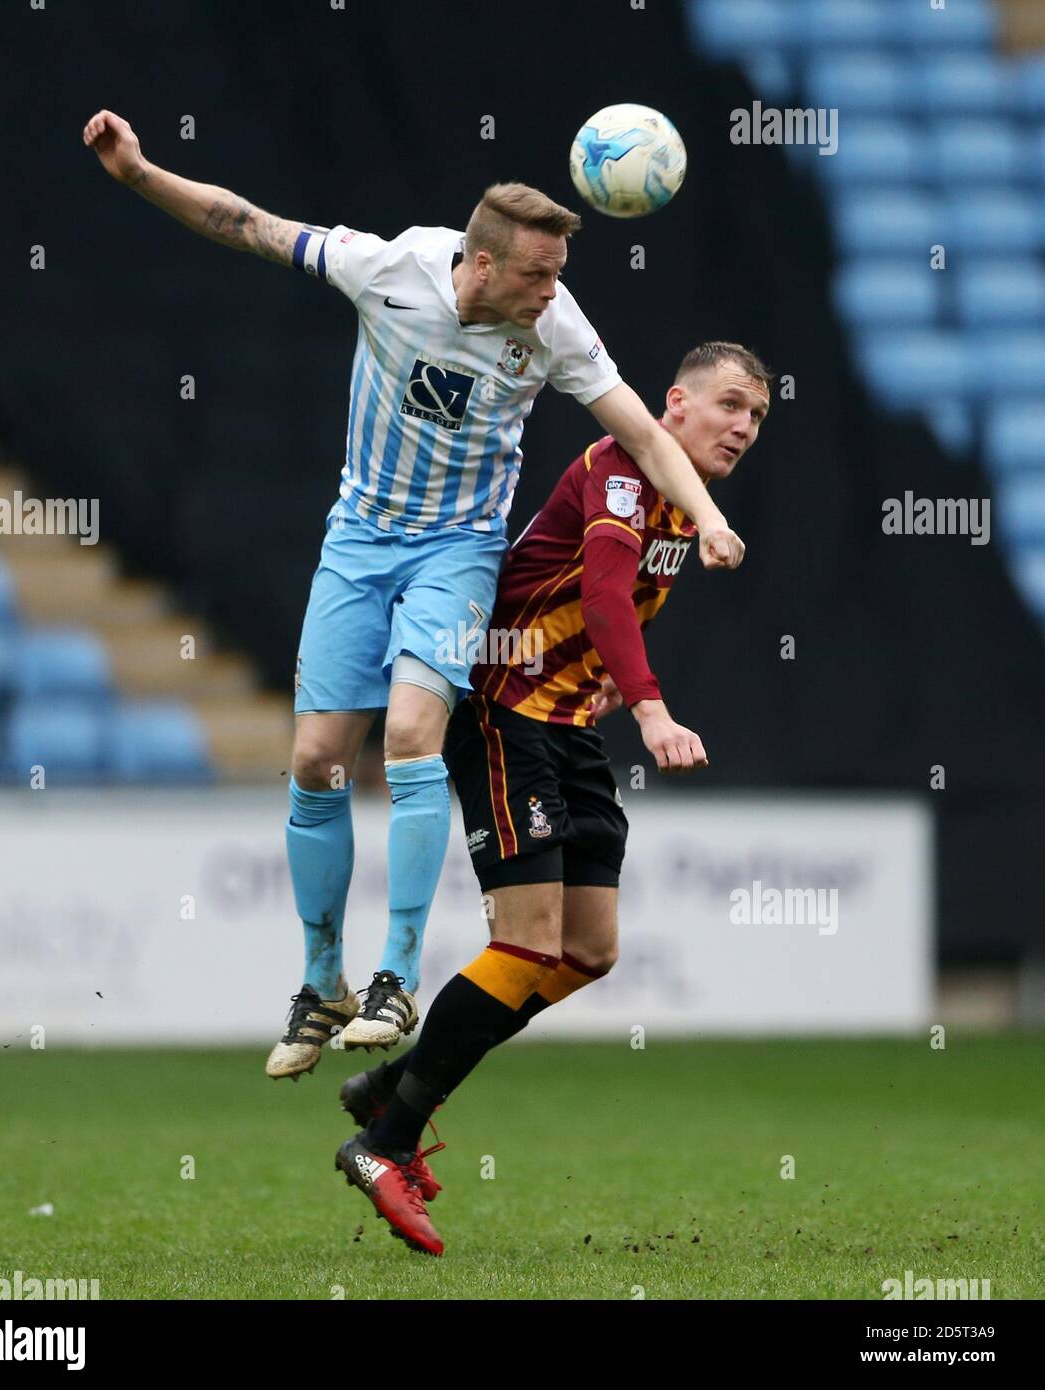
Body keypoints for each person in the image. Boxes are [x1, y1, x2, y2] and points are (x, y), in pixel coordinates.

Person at [82, 110, 746, 1078]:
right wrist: (139, 173)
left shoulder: (555, 326)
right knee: (314, 758)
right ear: (479, 265)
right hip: (358, 538)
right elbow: (247, 222)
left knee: (407, 737)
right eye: (536, 273)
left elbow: (646, 436)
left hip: (458, 548)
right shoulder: (387, 267)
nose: (551, 291)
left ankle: (395, 977)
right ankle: (322, 984)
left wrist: (709, 519)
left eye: (558, 273)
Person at [335, 343, 772, 1255]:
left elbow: (610, 606)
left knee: (588, 950)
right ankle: (384, 1142)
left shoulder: (682, 508)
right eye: (729, 405)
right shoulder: (620, 465)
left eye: (757, 416)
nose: (742, 426)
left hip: (565, 722)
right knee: (525, 941)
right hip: (502, 711)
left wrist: (609, 683)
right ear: (673, 403)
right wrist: (650, 708)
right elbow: (609, 594)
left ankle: (397, 1084)